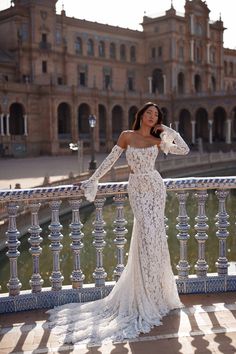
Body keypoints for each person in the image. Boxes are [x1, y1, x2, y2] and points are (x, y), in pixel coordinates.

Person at [47, 102, 190, 346]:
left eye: (156, 115)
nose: (152, 117)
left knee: (156, 239)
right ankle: (140, 295)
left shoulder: (159, 139)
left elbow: (184, 150)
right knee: (144, 235)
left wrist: (169, 131)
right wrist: (92, 179)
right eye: (149, 113)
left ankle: (157, 296)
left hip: (156, 188)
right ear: (141, 116)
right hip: (137, 187)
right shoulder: (127, 136)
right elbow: (111, 160)